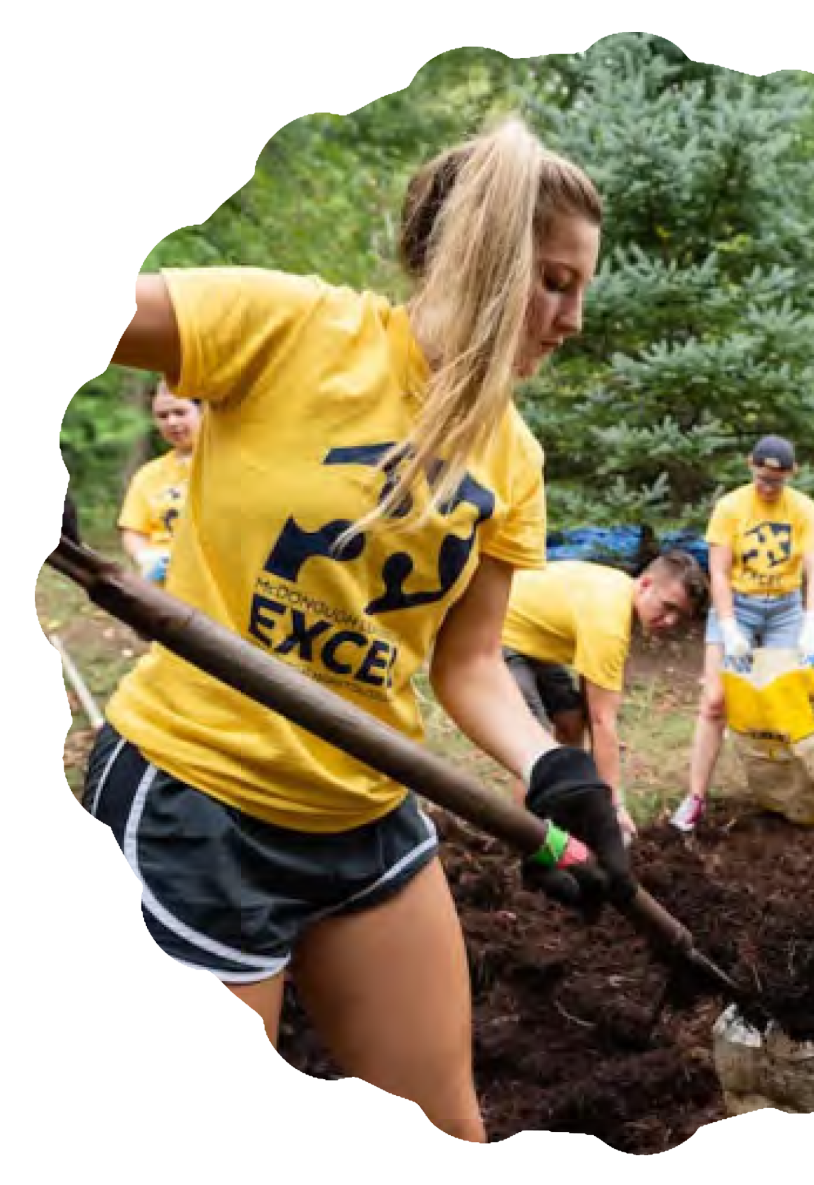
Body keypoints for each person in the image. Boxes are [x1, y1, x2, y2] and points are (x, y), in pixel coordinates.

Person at [72, 117, 631, 1143]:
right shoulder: (289, 327)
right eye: (556, 282)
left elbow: (469, 664)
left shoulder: (513, 456)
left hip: (367, 810)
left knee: (449, 1122)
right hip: (198, 805)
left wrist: (556, 772)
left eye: (580, 289)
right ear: (484, 257)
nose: (574, 319)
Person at [671, 435, 814, 831]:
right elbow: (719, 571)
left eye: (777, 481)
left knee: (786, 701)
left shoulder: (803, 509)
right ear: (750, 466)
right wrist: (727, 626)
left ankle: (807, 794)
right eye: (762, 478)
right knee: (714, 701)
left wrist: (812, 622)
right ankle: (695, 798)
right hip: (738, 606)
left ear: (791, 474)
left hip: (785, 609)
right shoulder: (730, 508)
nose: (768, 487)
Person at [502, 551, 709, 841]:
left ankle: (562, 808)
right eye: (667, 607)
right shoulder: (609, 622)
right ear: (645, 584)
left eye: (680, 615)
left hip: (533, 637)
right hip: (497, 630)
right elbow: (602, 721)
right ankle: (527, 838)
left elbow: (591, 707)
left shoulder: (619, 594)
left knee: (571, 720)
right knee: (532, 745)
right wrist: (615, 807)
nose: (670, 620)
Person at [119, 381, 203, 583]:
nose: (172, 422)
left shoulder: (230, 467)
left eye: (180, 412)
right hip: (165, 587)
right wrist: (145, 557)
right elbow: (133, 530)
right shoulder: (149, 475)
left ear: (204, 412)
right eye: (162, 416)